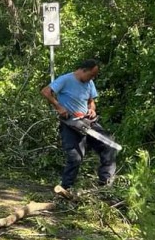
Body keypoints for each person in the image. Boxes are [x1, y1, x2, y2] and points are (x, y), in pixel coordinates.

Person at [40, 59, 117, 190]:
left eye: (94, 76)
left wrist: (92, 109)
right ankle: (66, 188)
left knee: (109, 145)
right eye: (91, 75)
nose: (92, 78)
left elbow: (91, 101)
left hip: (88, 122)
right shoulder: (65, 79)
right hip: (70, 123)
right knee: (75, 157)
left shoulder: (89, 83)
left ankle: (106, 185)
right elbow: (45, 91)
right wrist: (58, 107)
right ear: (83, 70)